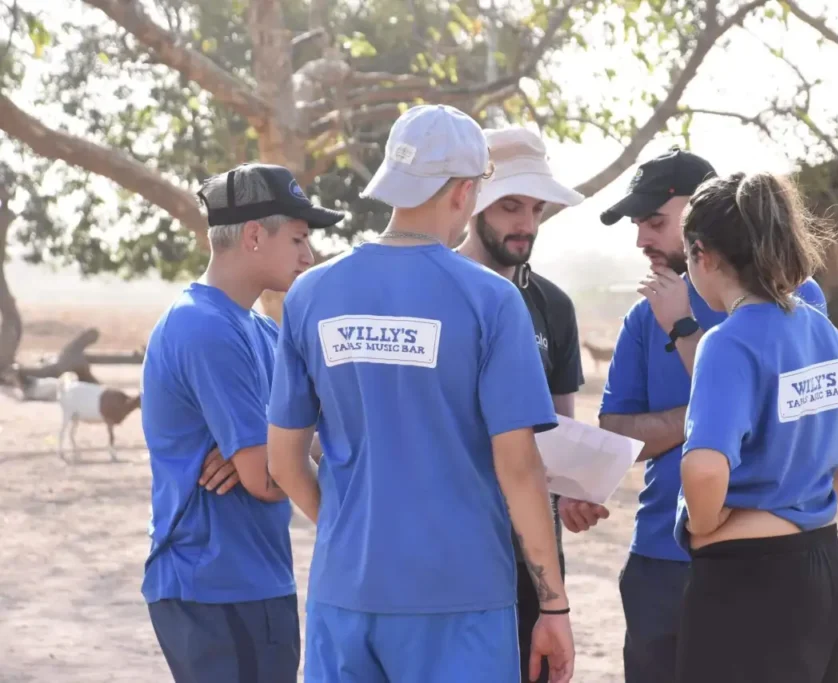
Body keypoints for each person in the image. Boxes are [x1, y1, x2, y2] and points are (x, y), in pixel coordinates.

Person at [264, 104, 576, 683]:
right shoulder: (491, 300)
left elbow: (283, 460)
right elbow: (520, 469)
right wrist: (552, 604)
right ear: (464, 191)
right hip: (460, 598)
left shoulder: (310, 293)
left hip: (344, 595)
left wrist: (349, 530)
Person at [640, 170, 838, 682]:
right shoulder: (820, 329)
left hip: (748, 580)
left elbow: (702, 470)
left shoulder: (726, 342)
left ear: (703, 254)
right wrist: (806, 499)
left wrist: (705, 527)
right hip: (825, 570)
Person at [596, 147, 829, 682]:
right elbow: (616, 432)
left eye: (655, 222)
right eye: (636, 225)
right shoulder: (641, 315)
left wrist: (681, 326)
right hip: (659, 559)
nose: (641, 240)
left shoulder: (795, 299)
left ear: (704, 210)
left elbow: (784, 409)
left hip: (762, 558)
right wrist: (709, 421)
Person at [140, 162, 345, 683]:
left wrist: (272, 452)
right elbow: (270, 477)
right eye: (299, 238)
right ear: (254, 235)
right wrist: (275, 457)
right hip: (211, 584)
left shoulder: (262, 330)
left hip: (257, 577)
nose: (309, 255)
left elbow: (311, 440)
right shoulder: (203, 326)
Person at [457, 125, 606, 683]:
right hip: (450, 549)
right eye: (510, 206)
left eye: (536, 209)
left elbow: (559, 433)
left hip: (532, 558)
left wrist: (573, 490)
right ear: (470, 200)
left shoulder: (554, 306)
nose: (525, 224)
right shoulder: (433, 290)